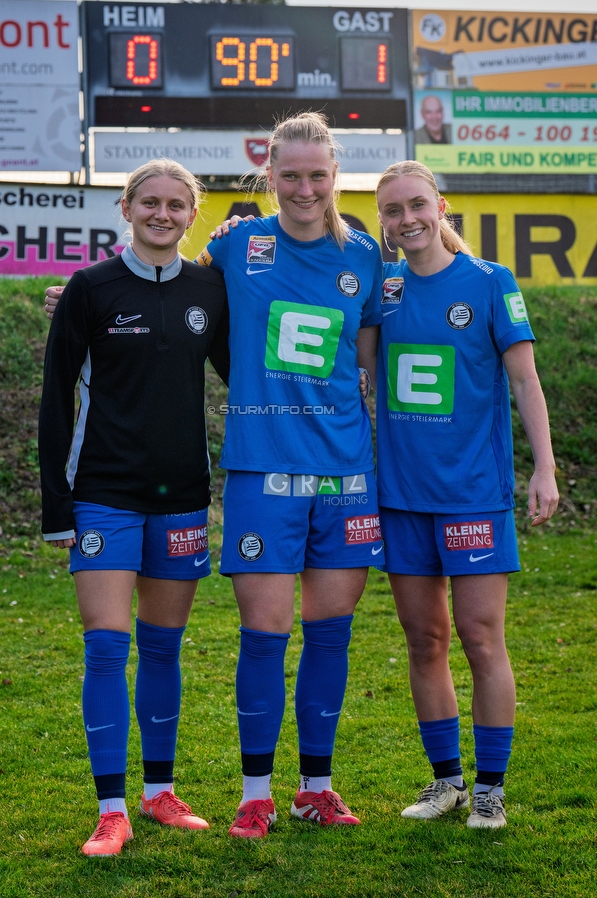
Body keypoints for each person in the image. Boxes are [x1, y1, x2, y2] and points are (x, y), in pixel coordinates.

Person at [198, 111, 384, 837]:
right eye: (290, 175)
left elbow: (370, 363)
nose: (304, 188)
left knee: (331, 636)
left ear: (334, 176)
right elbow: (167, 294)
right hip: (262, 469)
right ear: (268, 175)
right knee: (265, 634)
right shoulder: (238, 244)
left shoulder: (366, 256)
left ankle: (316, 787)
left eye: (317, 175)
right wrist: (79, 302)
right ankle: (254, 793)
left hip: (346, 472)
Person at [39, 159, 230, 856]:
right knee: (105, 646)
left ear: (192, 213)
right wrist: (56, 506)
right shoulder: (89, 289)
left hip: (181, 498)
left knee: (162, 647)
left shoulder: (212, 287)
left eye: (177, 204)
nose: (162, 213)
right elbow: (56, 401)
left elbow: (245, 371)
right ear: (125, 207)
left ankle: (159, 794)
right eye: (149, 201)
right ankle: (111, 808)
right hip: (102, 498)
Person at [373, 160, 558, 829]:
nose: (407, 219)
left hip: (473, 495)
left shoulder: (489, 283)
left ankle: (490, 789)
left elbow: (526, 381)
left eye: (416, 204)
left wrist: (544, 469)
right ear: (383, 224)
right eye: (392, 211)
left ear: (441, 206)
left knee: (481, 639)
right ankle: (446, 782)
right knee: (424, 639)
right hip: (400, 497)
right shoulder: (382, 289)